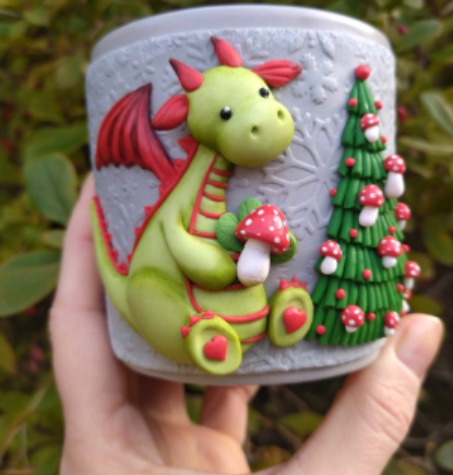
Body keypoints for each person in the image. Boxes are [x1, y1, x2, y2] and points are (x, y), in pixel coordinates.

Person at [51, 175, 443, 475]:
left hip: (256, 316)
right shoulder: (213, 241)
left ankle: (287, 313)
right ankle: (213, 336)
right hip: (205, 324)